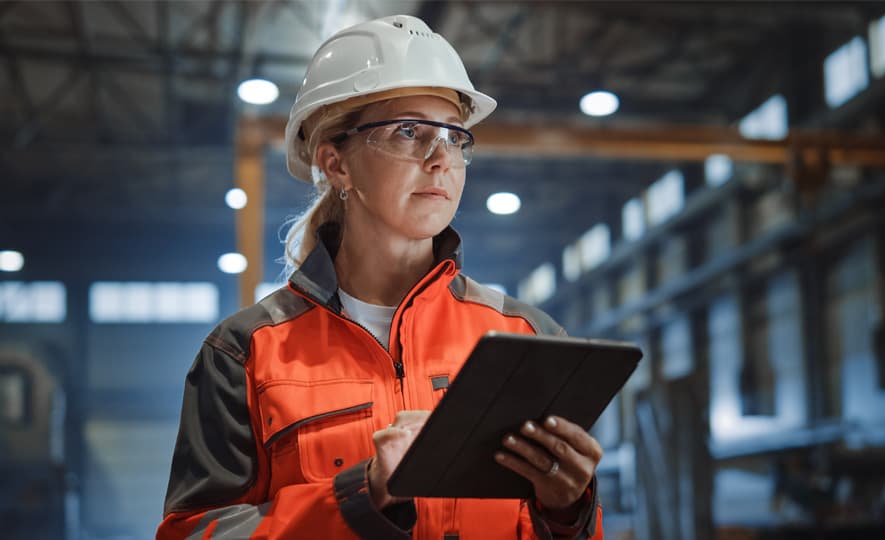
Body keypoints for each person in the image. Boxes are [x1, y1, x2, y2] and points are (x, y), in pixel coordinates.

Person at [157, 14, 604, 539]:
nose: (440, 159)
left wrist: (567, 511)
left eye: (454, 136)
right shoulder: (245, 353)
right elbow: (193, 533)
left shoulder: (528, 339)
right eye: (408, 131)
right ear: (337, 164)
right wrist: (360, 494)